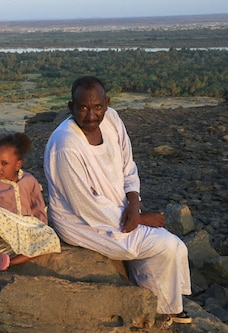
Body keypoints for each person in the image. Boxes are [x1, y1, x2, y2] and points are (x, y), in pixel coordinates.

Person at [44, 76, 192, 326]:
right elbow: (85, 207)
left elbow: (128, 165)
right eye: (83, 108)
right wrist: (142, 219)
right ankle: (160, 307)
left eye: (97, 107)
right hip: (82, 223)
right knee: (170, 245)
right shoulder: (66, 144)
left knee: (167, 244)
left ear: (107, 104)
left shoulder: (112, 120)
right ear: (71, 107)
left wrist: (134, 204)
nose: (91, 115)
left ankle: (158, 299)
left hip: (121, 210)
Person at [0, 133, 61, 290]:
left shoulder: (29, 181)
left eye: (4, 163)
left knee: (51, 239)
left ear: (18, 165)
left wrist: (41, 228)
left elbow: (38, 206)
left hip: (25, 227)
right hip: (4, 232)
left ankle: (8, 263)